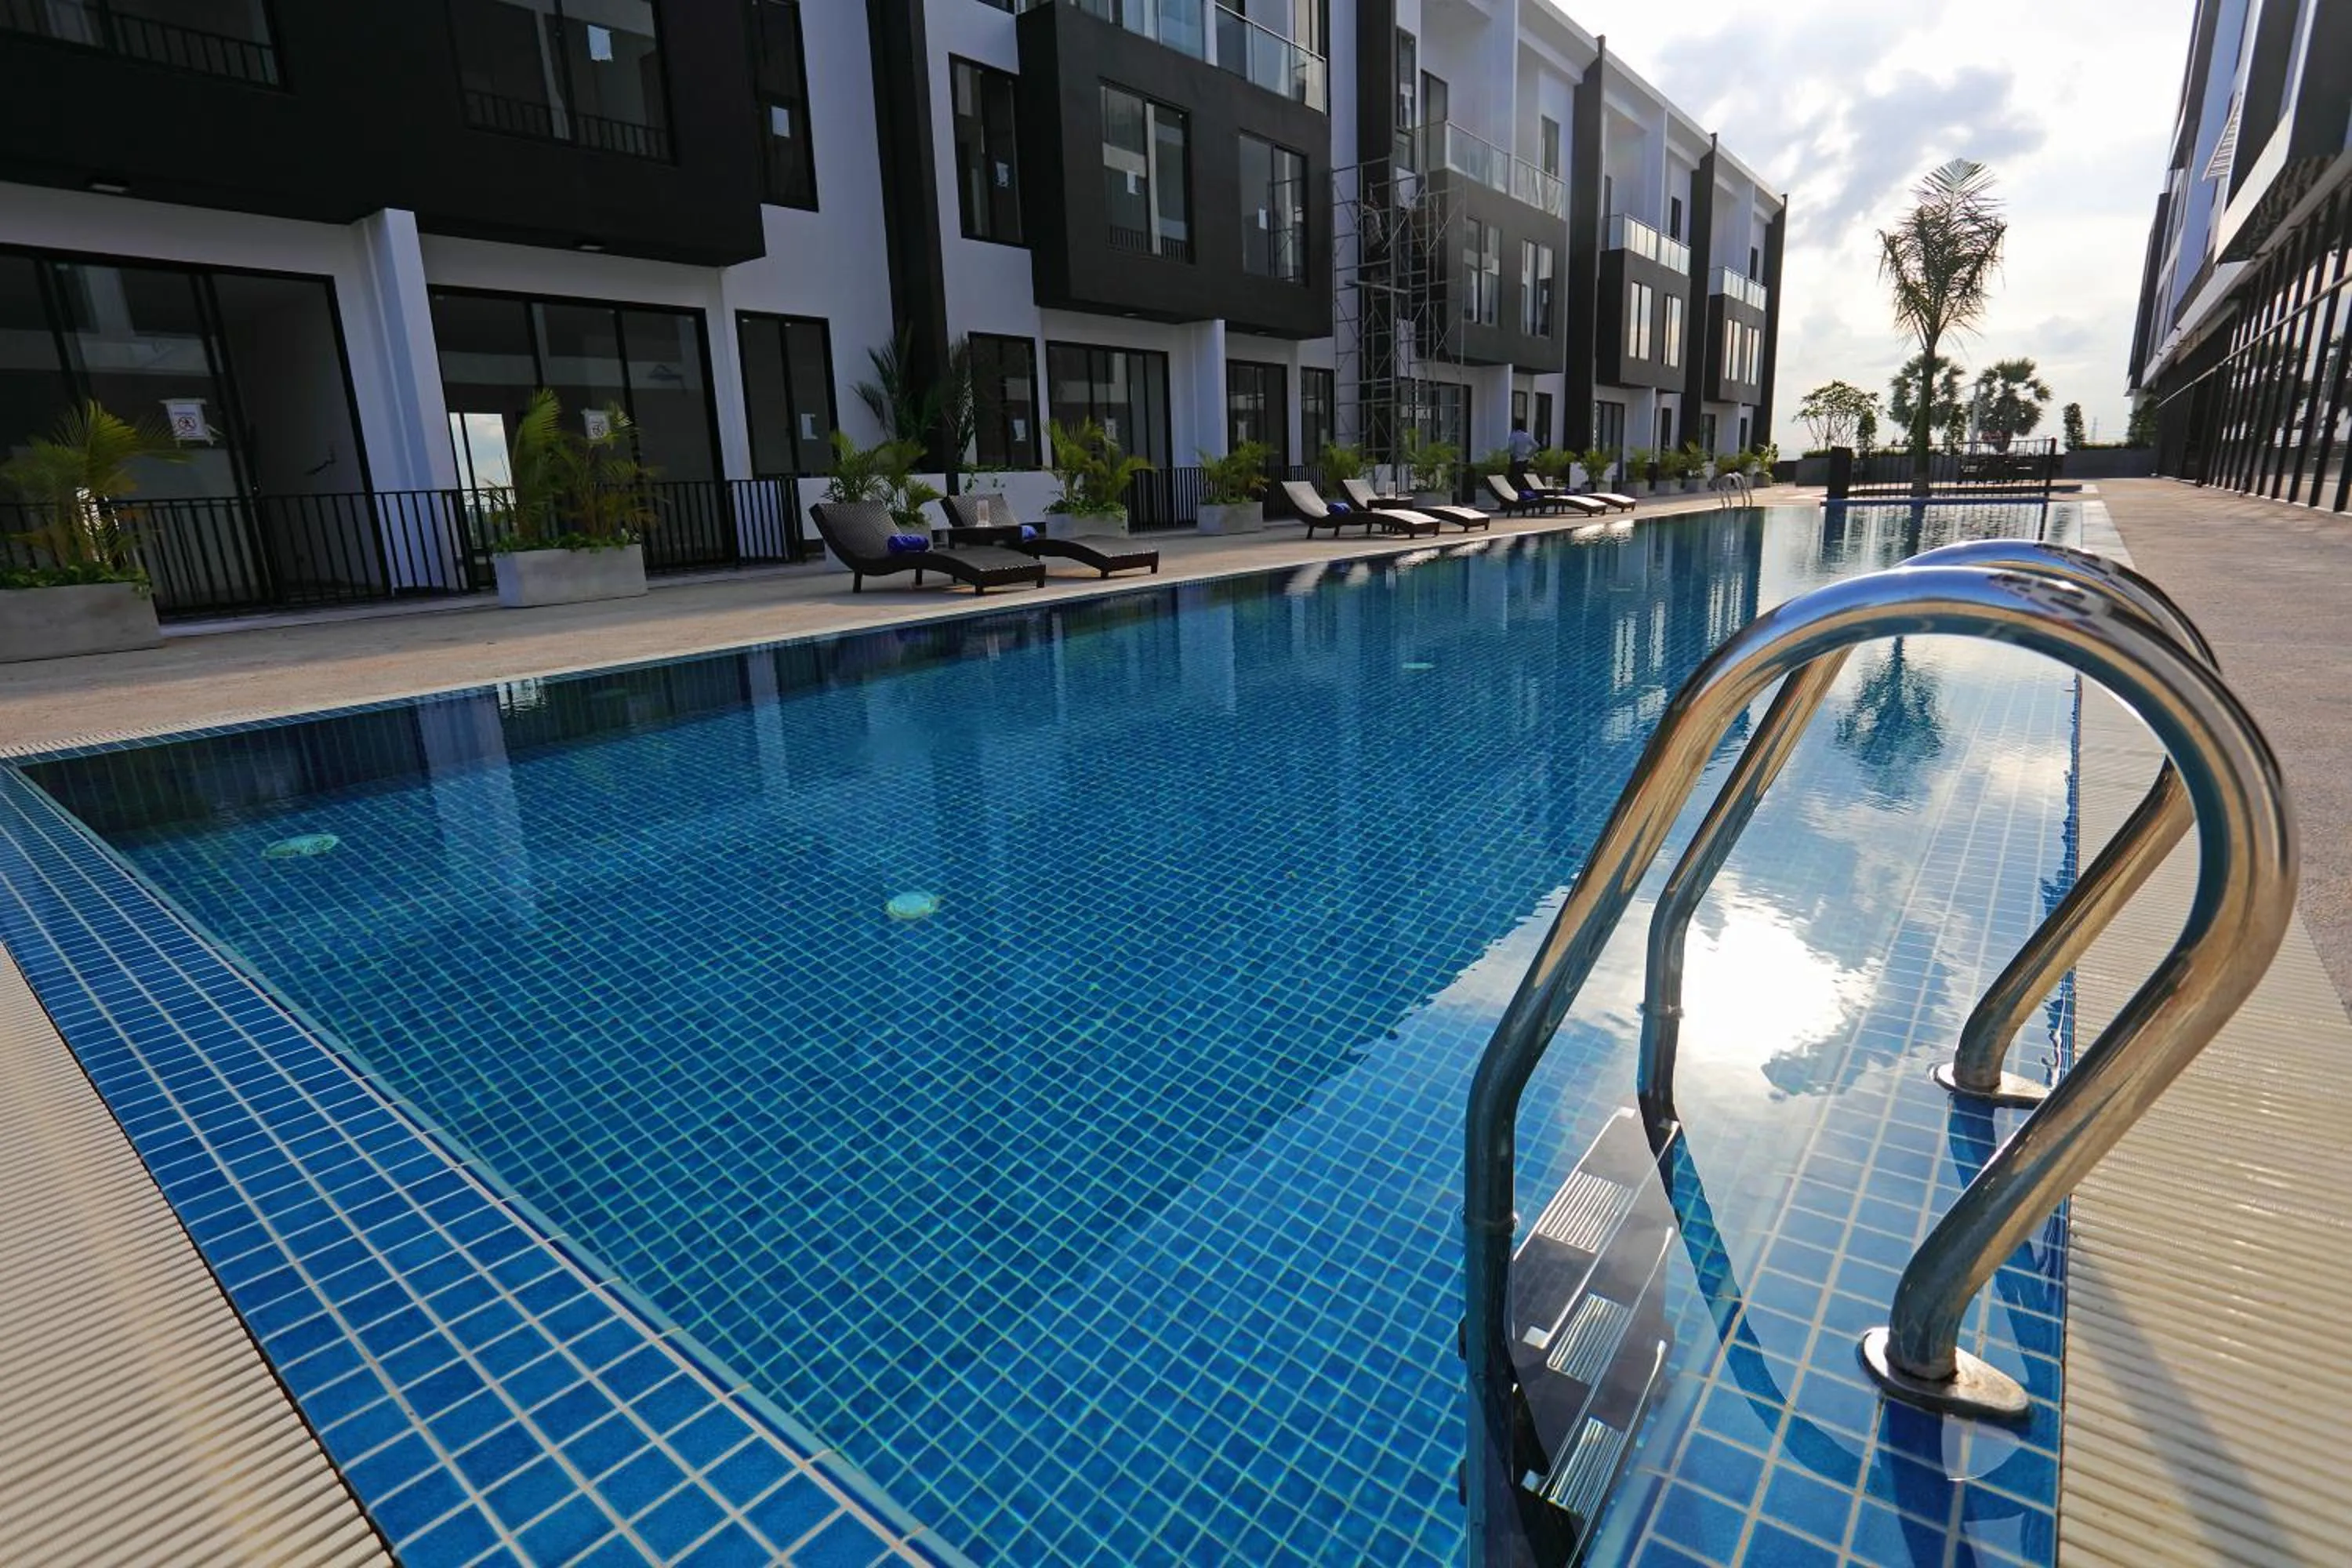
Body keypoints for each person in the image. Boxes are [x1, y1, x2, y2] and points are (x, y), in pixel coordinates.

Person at [1506, 421, 1537, 488]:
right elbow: (1536, 446)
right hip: (1525, 460)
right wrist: (1529, 455)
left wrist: (1512, 454)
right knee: (1523, 479)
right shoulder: (1526, 435)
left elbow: (1511, 447)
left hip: (1516, 460)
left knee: (1514, 480)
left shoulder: (1514, 435)